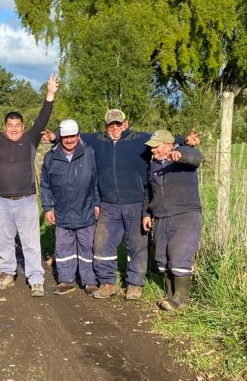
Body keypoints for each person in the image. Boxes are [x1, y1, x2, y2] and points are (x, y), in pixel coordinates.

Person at [0, 74, 58, 297]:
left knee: (31, 242)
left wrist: (50, 94)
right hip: (2, 202)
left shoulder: (31, 139)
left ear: (23, 127)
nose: (14, 129)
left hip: (26, 201)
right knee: (5, 241)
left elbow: (43, 117)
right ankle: (7, 274)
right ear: (4, 127)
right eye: (10, 125)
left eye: (18, 126)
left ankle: (36, 279)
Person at [83, 110, 152, 301]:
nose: (115, 128)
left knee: (137, 245)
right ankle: (107, 282)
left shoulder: (140, 139)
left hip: (136, 203)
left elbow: (165, 140)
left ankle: (134, 284)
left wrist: (185, 141)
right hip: (108, 204)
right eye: (111, 124)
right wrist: (54, 137)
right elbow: (73, 137)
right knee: (102, 243)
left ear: (125, 123)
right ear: (105, 126)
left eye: (118, 124)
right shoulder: (98, 140)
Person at [142, 130, 204, 311]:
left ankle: (180, 300)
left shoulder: (183, 154)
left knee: (179, 255)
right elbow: (148, 192)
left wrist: (181, 155)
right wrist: (146, 214)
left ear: (169, 145)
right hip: (161, 216)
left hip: (185, 214)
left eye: (156, 146)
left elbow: (196, 158)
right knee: (162, 258)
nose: (153, 150)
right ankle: (170, 295)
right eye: (151, 147)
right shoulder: (153, 165)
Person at [40, 119, 100, 295]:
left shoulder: (89, 153)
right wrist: (47, 208)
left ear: (78, 135)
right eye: (65, 137)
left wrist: (97, 203)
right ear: (60, 137)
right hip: (62, 211)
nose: (69, 140)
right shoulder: (51, 157)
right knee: (64, 248)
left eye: (72, 136)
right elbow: (45, 185)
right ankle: (66, 280)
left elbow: (96, 181)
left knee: (87, 247)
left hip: (85, 209)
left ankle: (89, 281)